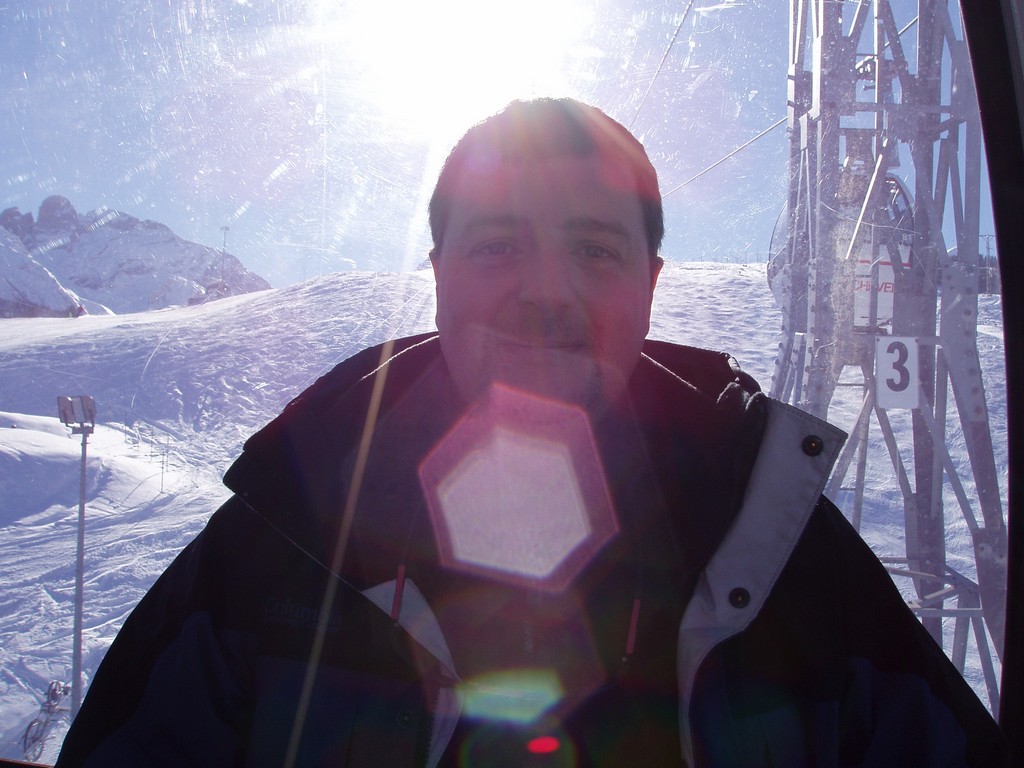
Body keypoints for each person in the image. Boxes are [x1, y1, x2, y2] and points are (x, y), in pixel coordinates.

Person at [56, 98, 1008, 767]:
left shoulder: (782, 556)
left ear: (649, 285)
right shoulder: (283, 542)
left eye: (594, 248)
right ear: (439, 272)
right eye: (497, 245)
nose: (547, 290)